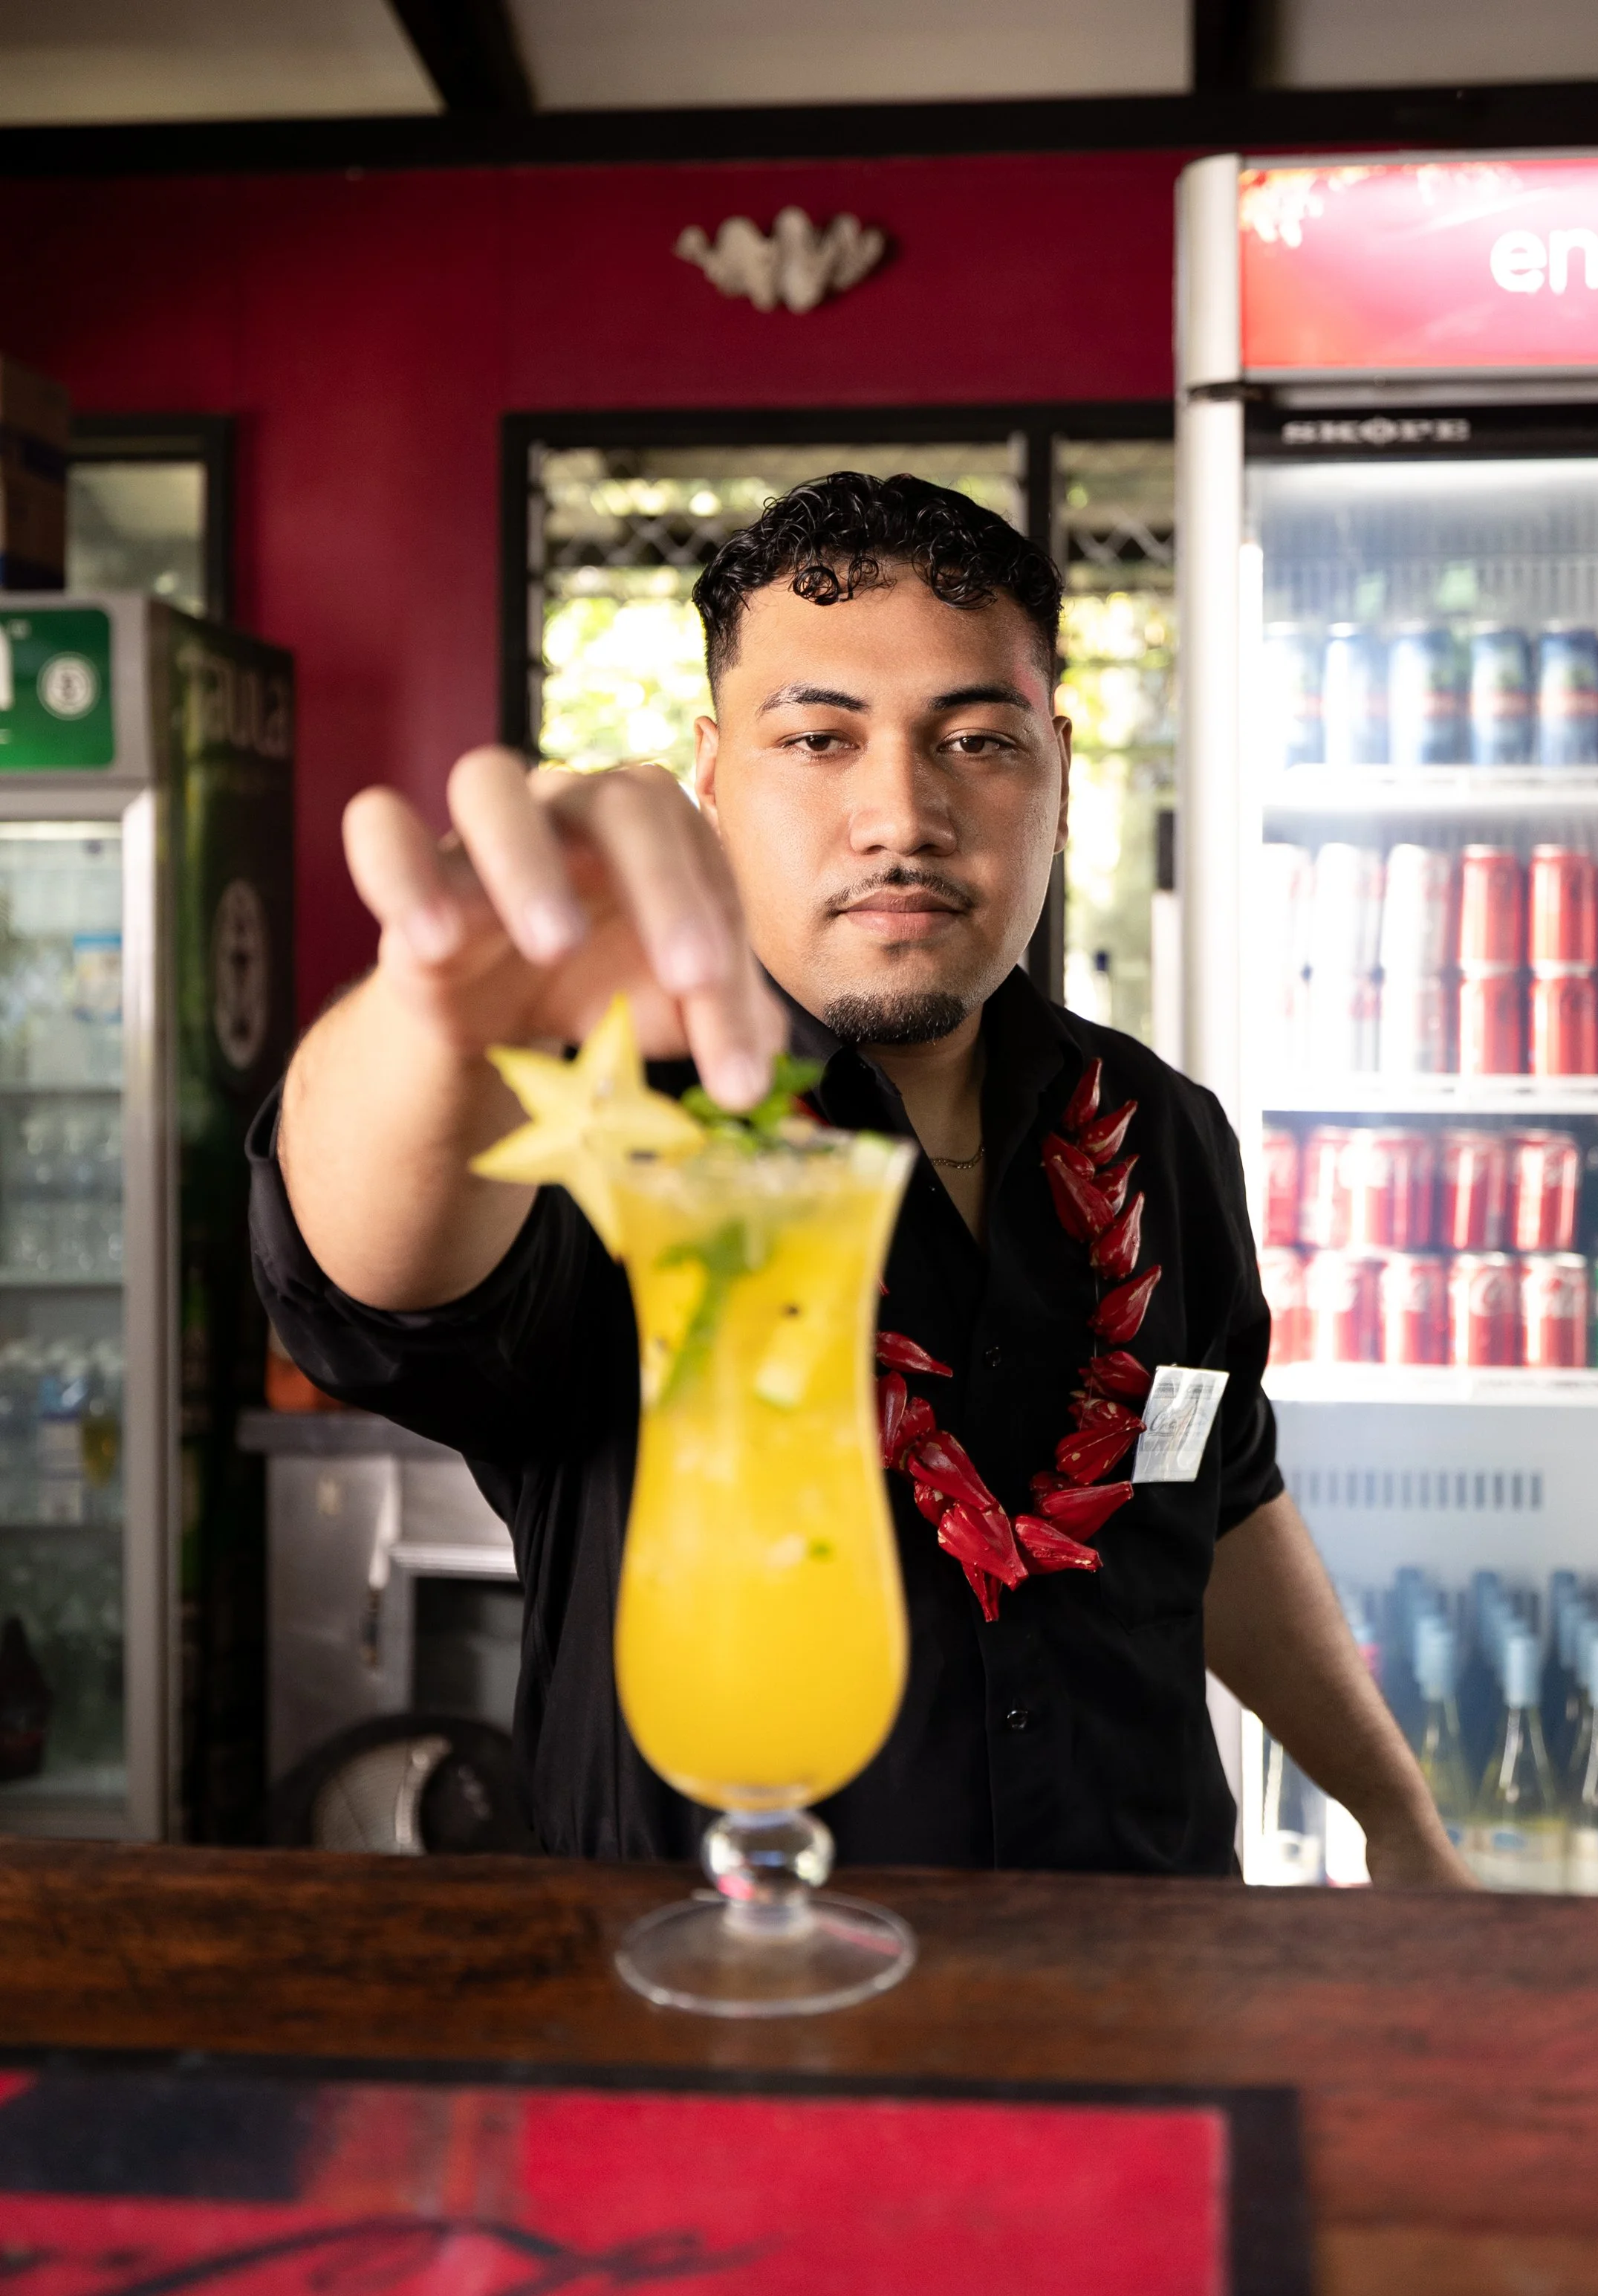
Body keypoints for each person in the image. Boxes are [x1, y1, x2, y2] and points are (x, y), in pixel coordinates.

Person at [255, 472, 1466, 1886]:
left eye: (977, 740)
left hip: (1148, 1965)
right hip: (717, 1989)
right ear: (711, 774)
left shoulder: (1162, 1129)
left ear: (1062, 777)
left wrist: (1399, 1817)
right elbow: (367, 1279)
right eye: (820, 739)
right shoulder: (617, 1135)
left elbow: (1218, 1491)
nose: (902, 812)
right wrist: (443, 1015)